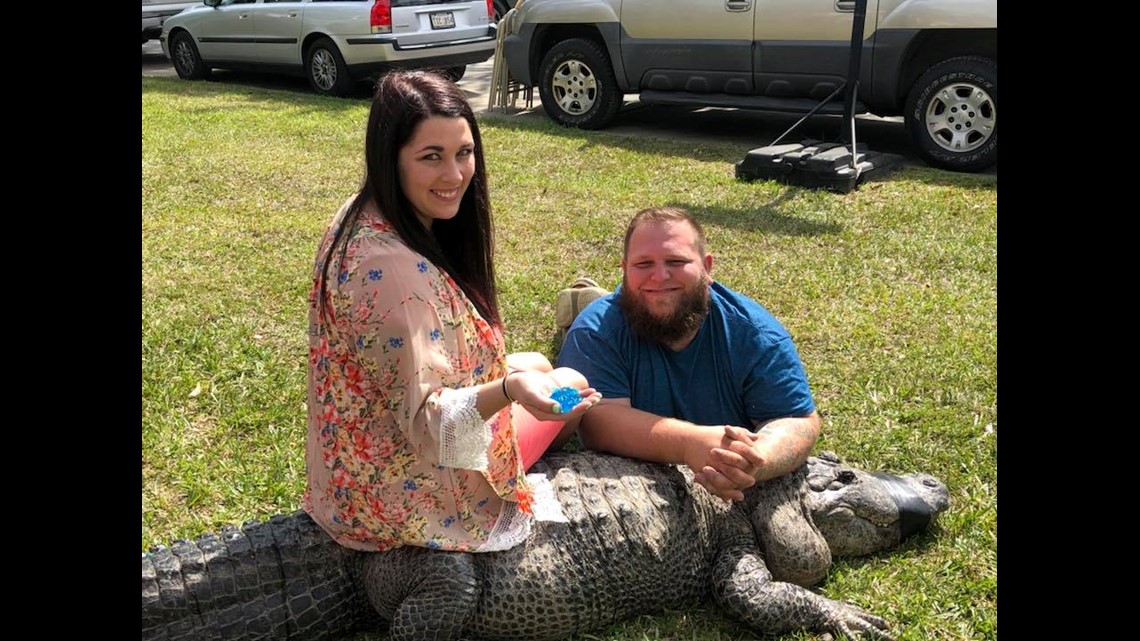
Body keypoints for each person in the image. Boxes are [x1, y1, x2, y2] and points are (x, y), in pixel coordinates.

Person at [303, 70, 601, 554]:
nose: (456, 175)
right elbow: (430, 425)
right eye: (431, 157)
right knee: (568, 380)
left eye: (464, 153)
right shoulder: (394, 274)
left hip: (351, 468)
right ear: (390, 160)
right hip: (402, 499)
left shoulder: (361, 215)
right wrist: (508, 390)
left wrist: (515, 382)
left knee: (542, 367)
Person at [556, 206, 820, 503]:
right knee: (573, 369)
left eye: (676, 261)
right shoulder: (596, 331)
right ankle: (586, 307)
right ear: (624, 268)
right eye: (643, 264)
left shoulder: (756, 335)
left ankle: (590, 297)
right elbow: (596, 422)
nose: (659, 276)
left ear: (707, 267)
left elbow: (796, 418)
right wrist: (688, 443)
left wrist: (752, 459)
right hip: (604, 336)